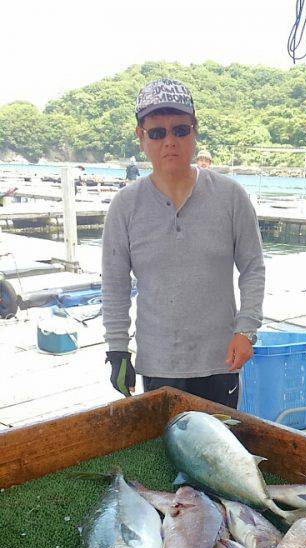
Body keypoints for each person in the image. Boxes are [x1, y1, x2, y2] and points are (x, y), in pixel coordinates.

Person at [102, 77, 265, 409]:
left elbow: (252, 268)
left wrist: (246, 330)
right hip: (159, 363)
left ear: (195, 131)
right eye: (157, 132)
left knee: (220, 449)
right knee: (167, 452)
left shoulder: (231, 196)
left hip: (222, 360)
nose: (170, 141)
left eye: (180, 130)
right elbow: (115, 285)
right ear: (140, 136)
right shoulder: (124, 205)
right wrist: (117, 349)